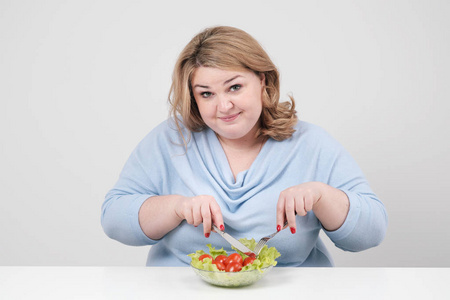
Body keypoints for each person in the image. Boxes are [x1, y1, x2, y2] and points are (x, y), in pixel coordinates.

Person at [101, 26, 388, 267]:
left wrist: (321, 196)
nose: (224, 106)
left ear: (262, 80)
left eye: (235, 87)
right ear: (193, 97)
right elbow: (114, 219)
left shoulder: (311, 144)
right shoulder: (170, 140)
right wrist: (176, 207)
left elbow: (371, 233)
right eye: (206, 94)